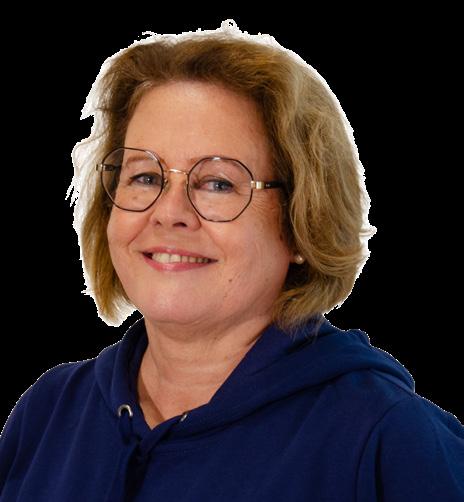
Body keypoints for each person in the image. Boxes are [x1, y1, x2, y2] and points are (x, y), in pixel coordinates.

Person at [1, 20, 463, 502]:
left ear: (302, 224)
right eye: (145, 177)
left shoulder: (390, 440)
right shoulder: (49, 412)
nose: (169, 213)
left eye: (218, 183)